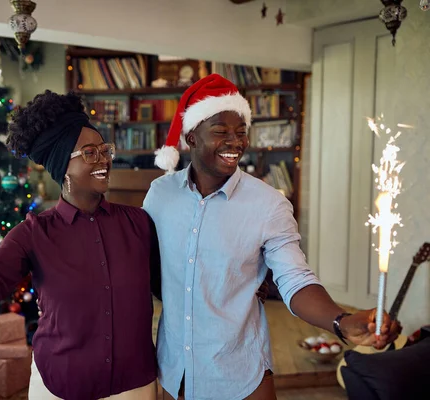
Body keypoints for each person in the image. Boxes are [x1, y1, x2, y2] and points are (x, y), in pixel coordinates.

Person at [144, 73, 403, 400]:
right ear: (191, 137)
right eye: (221, 132)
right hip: (173, 373)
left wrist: (342, 321)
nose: (235, 142)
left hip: (240, 375)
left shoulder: (269, 204)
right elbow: (148, 265)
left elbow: (296, 279)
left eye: (241, 132)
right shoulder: (159, 196)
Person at [0, 90, 161, 400]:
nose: (104, 159)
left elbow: (171, 287)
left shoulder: (138, 223)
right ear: (62, 165)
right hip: (60, 384)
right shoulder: (32, 234)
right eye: (90, 153)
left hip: (134, 385)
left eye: (104, 149)